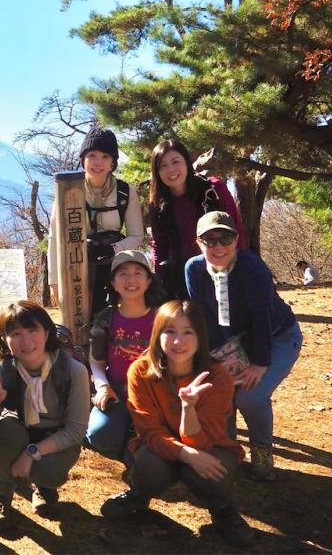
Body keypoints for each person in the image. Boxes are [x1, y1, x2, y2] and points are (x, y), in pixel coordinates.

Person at [100, 300, 255, 549]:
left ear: (200, 336)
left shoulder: (217, 376)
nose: (178, 341)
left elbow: (205, 441)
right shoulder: (140, 371)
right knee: (149, 464)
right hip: (162, 449)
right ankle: (139, 496)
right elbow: (148, 430)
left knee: (214, 471)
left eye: (187, 332)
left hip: (208, 446)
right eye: (169, 332)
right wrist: (186, 454)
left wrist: (188, 408)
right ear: (157, 335)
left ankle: (223, 509)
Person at [186, 211, 302, 481]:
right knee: (220, 391)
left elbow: (262, 317)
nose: (218, 247)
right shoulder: (193, 268)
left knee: (250, 395)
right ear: (198, 243)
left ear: (236, 239)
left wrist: (260, 363)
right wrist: (214, 362)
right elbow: (202, 318)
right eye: (209, 240)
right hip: (231, 342)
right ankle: (227, 450)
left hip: (277, 337)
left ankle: (262, 452)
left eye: (225, 238)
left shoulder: (252, 268)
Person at [0, 300, 90, 532]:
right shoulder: (1, 372)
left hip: (55, 438)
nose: (25, 341)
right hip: (20, 431)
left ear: (47, 332)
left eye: (32, 330)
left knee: (48, 472)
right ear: (5, 340)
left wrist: (31, 454)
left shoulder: (73, 371)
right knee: (7, 429)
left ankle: (45, 488)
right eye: (15, 333)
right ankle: (2, 495)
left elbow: (76, 430)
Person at [48, 126, 145, 316]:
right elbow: (54, 237)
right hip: (76, 266)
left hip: (115, 266)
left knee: (115, 320)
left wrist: (112, 249)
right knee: (80, 320)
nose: (98, 162)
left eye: (105, 156)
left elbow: (136, 235)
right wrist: (55, 281)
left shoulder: (125, 192)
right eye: (92, 155)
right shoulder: (68, 190)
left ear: (113, 162)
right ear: (83, 158)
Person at [86, 250, 163, 463]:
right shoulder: (105, 319)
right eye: (123, 273)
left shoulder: (164, 318)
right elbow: (97, 361)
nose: (131, 279)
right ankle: (127, 442)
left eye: (138, 272)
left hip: (155, 395)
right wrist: (102, 385)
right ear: (112, 282)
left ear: (148, 280)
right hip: (118, 392)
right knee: (98, 434)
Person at [148, 139, 246, 300]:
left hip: (220, 267)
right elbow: (159, 244)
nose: (170, 169)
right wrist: (160, 281)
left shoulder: (213, 189)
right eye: (162, 165)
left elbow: (236, 231)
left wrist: (239, 269)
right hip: (182, 276)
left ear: (186, 162)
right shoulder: (157, 203)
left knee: (224, 320)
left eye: (175, 162)